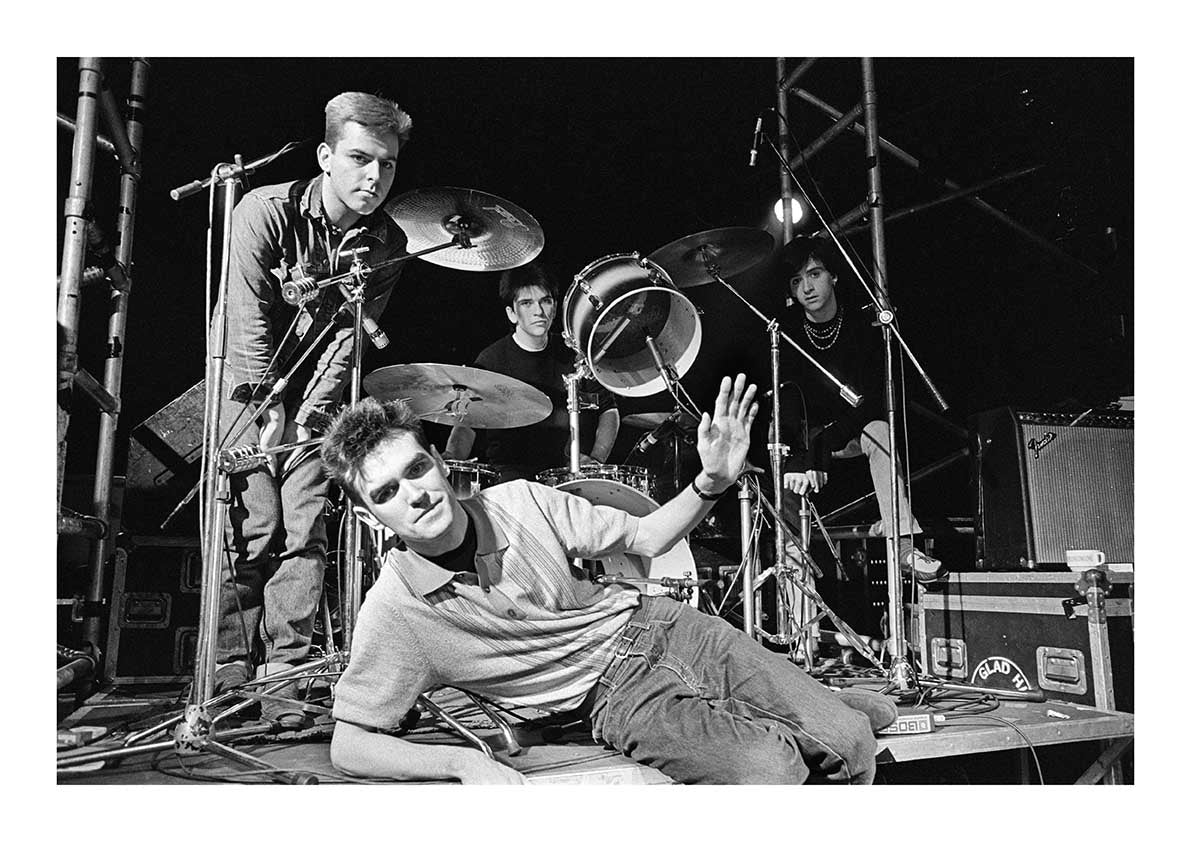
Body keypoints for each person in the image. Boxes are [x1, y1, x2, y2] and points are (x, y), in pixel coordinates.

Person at [319, 374, 891, 784]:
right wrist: (463, 762)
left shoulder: (519, 502)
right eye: (387, 491)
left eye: (416, 468)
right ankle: (800, 709)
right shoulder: (394, 610)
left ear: (441, 463)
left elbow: (647, 539)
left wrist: (712, 481)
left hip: (661, 627)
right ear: (372, 516)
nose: (414, 494)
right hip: (612, 699)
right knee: (771, 771)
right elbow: (350, 743)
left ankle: (817, 712)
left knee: (851, 744)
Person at [213, 91, 412, 724]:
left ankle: (286, 681)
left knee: (303, 527)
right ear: (326, 156)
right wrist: (264, 401)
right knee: (253, 527)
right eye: (359, 158)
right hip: (245, 382)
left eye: (386, 163)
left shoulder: (388, 244)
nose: (373, 176)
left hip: (314, 394)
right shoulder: (261, 212)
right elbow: (245, 318)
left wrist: (309, 414)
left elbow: (351, 335)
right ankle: (225, 676)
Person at [775, 236, 947, 585]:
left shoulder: (862, 326)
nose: (806, 287)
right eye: (796, 281)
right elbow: (788, 403)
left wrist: (824, 445)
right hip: (809, 436)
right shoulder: (789, 334)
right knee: (776, 444)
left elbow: (873, 403)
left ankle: (904, 549)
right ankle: (793, 561)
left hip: (850, 431)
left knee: (881, 431)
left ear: (833, 277)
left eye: (815, 274)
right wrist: (801, 455)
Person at [442, 262, 619, 482]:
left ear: (555, 308)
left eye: (545, 301)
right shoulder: (490, 361)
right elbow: (467, 424)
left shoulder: (574, 355)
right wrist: (451, 456)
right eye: (527, 303)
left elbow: (608, 411)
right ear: (511, 313)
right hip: (508, 478)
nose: (539, 311)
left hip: (563, 476)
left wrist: (596, 460)